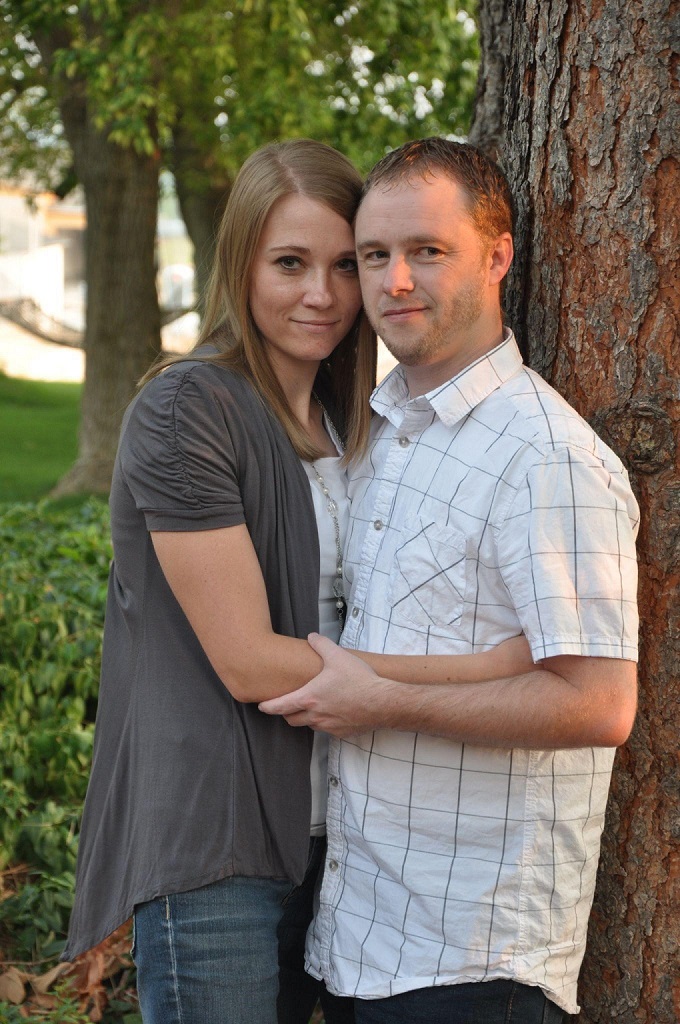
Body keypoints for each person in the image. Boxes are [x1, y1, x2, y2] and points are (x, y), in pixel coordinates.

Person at [62, 138, 535, 1024]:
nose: (321, 295)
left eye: (340, 265)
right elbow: (249, 663)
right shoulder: (187, 409)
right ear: (241, 265)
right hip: (219, 845)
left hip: (340, 839)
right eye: (289, 264)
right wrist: (493, 673)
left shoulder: (355, 424)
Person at [260, 138, 640, 1024]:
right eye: (375, 256)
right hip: (362, 936)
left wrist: (382, 698)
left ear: (497, 256)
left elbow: (597, 705)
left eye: (428, 251)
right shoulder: (386, 433)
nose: (394, 281)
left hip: (477, 956)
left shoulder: (545, 457)